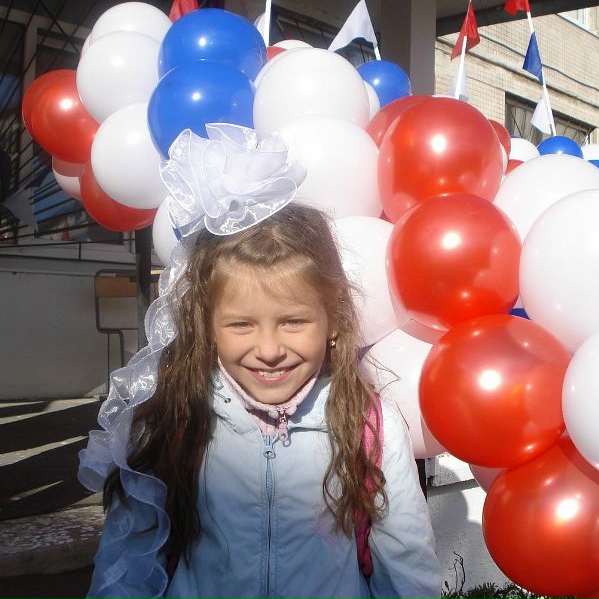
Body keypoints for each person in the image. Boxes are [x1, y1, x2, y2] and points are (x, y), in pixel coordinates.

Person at [79, 125, 441, 599]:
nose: (269, 350)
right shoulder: (172, 422)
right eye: (241, 325)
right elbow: (126, 569)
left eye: (293, 322)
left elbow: (408, 574)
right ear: (206, 325)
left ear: (333, 320)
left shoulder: (370, 428)